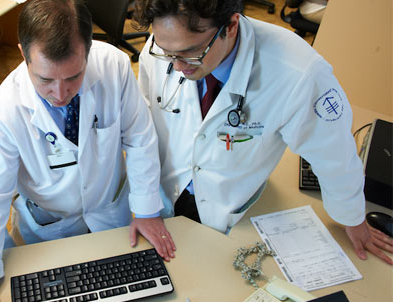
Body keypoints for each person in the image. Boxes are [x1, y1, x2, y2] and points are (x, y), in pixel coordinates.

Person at [0, 0, 176, 302]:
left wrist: (146, 210)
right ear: (23, 53)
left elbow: (140, 138)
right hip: (49, 228)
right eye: (45, 79)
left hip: (109, 214)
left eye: (74, 76)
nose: (60, 93)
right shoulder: (6, 108)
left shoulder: (114, 66)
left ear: (88, 51)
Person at [134, 0, 392, 264]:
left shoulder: (298, 72)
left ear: (231, 25)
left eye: (191, 52)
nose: (177, 66)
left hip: (231, 208)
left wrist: (352, 217)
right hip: (164, 197)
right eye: (168, 53)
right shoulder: (163, 44)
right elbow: (142, 131)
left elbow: (334, 153)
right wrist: (145, 205)